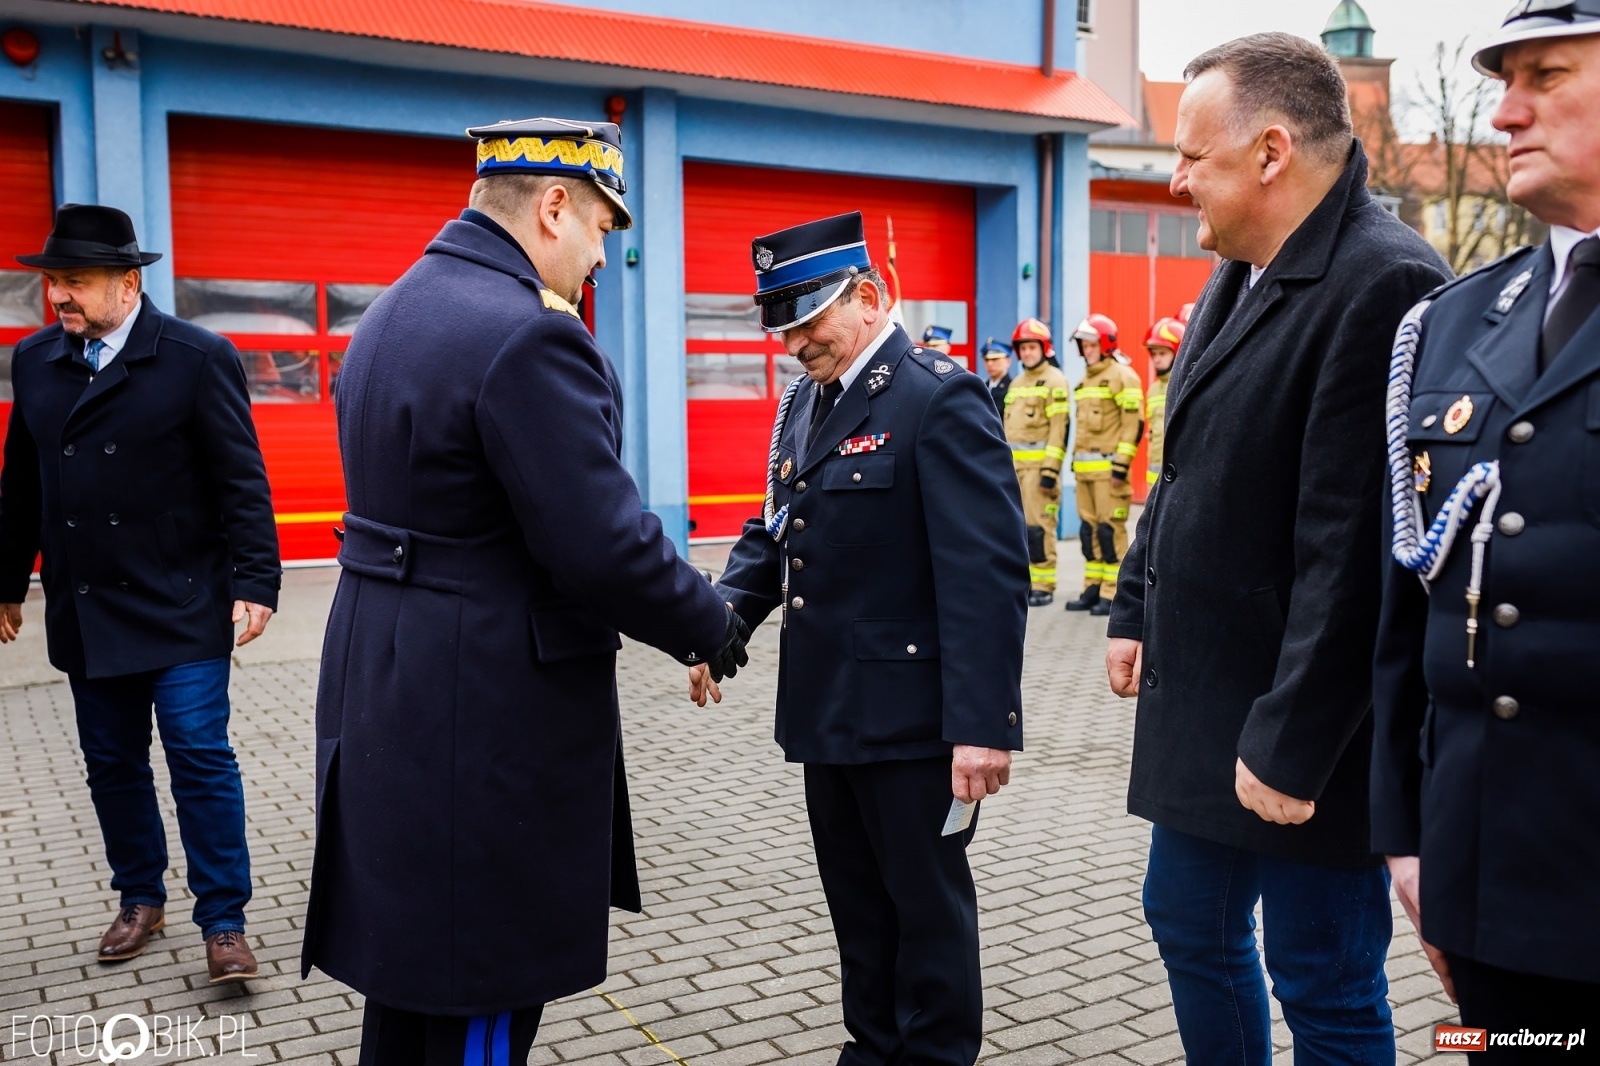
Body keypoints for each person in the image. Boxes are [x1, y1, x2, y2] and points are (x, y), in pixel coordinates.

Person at [301, 117, 749, 1066]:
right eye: (598, 230)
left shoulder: (389, 313)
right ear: (553, 207)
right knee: (482, 999)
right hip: (484, 705)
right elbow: (600, 544)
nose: (597, 259)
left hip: (385, 680)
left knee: (413, 981)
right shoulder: (527, 335)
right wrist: (709, 622)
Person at [1102, 33, 1451, 1064]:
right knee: (1188, 925)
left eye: (1189, 157)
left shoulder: (1384, 283)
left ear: (1267, 151)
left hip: (1313, 731)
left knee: (1323, 979)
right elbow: (1184, 462)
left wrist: (1292, 741)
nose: (1173, 181)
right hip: (1208, 700)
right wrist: (1132, 605)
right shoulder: (1243, 267)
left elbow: (1355, 548)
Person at [692, 211, 1026, 1066]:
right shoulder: (808, 399)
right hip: (828, 713)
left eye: (810, 321)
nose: (796, 343)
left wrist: (985, 725)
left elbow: (986, 576)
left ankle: (935, 1054)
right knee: (859, 911)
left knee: (926, 914)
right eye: (785, 327)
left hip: (915, 725)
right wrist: (716, 624)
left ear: (869, 296)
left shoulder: (937, 394)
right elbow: (775, 529)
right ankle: (872, 1048)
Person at [1371, 3, 1600, 1043]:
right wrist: (1409, 838)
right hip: (1483, 877)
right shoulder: (1456, 318)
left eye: (1546, 75)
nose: (1504, 113)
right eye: (1502, 80)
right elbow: (1404, 611)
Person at [0, 203, 281, 984]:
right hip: (89, 605)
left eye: (77, 282)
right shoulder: (34, 362)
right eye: (54, 281)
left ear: (128, 283)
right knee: (112, 762)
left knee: (197, 754)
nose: (59, 296)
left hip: (182, 597)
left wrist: (256, 580)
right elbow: (21, 481)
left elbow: (241, 479)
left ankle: (224, 921)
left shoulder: (196, 356)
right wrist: (6, 579)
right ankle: (139, 898)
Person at [1063, 313, 1142, 616]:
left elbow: (1132, 423)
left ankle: (1114, 593)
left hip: (1110, 474)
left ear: (1106, 344)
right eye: (1084, 345)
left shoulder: (1123, 376)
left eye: (1092, 344)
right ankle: (1092, 587)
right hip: (1085, 473)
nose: (1087, 349)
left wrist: (1121, 465)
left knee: (1110, 532)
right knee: (1089, 533)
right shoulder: (1086, 379)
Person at [1001, 318, 1071, 605]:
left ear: (1044, 349)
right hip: (1014, 471)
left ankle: (1044, 584)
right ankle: (1026, 582)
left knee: (1039, 528)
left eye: (1032, 347)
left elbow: (1059, 428)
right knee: (1016, 530)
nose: (1027, 353)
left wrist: (1050, 471)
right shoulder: (1016, 383)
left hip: (1038, 472)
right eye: (1023, 348)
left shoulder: (1056, 380)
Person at [1142, 317, 1184, 489]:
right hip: (1154, 478)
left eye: (1162, 353)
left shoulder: (1185, 386)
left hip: (1179, 482)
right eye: (1154, 354)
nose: (1156, 359)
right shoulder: (1153, 390)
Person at [980, 337, 1013, 413]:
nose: (990, 364)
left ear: (1008, 361)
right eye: (986, 360)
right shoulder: (982, 386)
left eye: (995, 359)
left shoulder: (1013, 387)